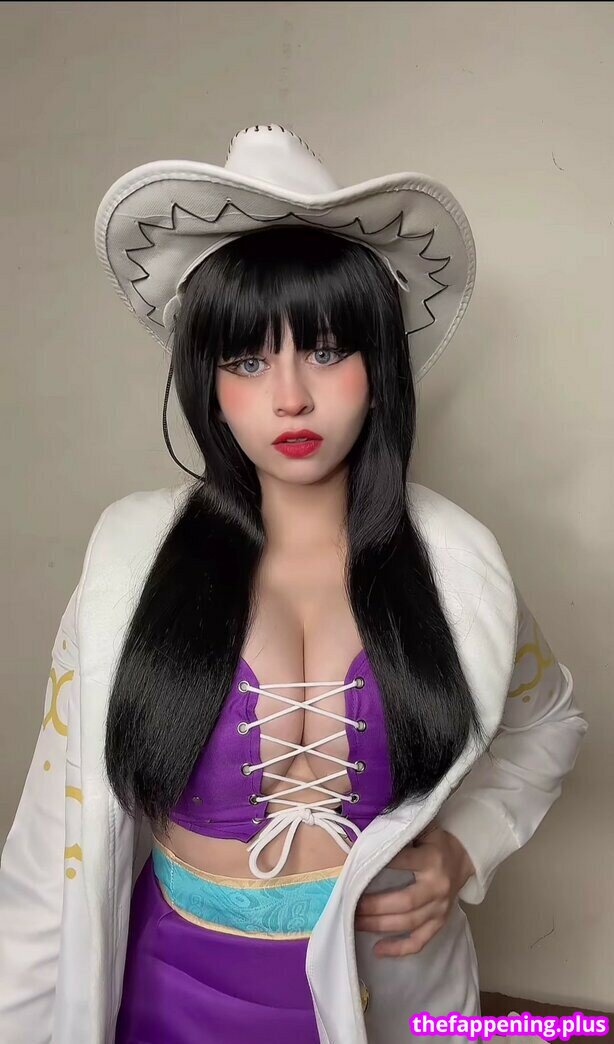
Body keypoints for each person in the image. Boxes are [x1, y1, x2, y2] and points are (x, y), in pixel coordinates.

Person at [0, 125, 588, 1044]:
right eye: (247, 360)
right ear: (208, 382)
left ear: (379, 367)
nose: (290, 398)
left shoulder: (458, 568)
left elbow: (550, 720)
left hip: (392, 995)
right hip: (171, 992)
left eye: (324, 349)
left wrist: (465, 849)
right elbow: (48, 852)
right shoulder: (128, 566)